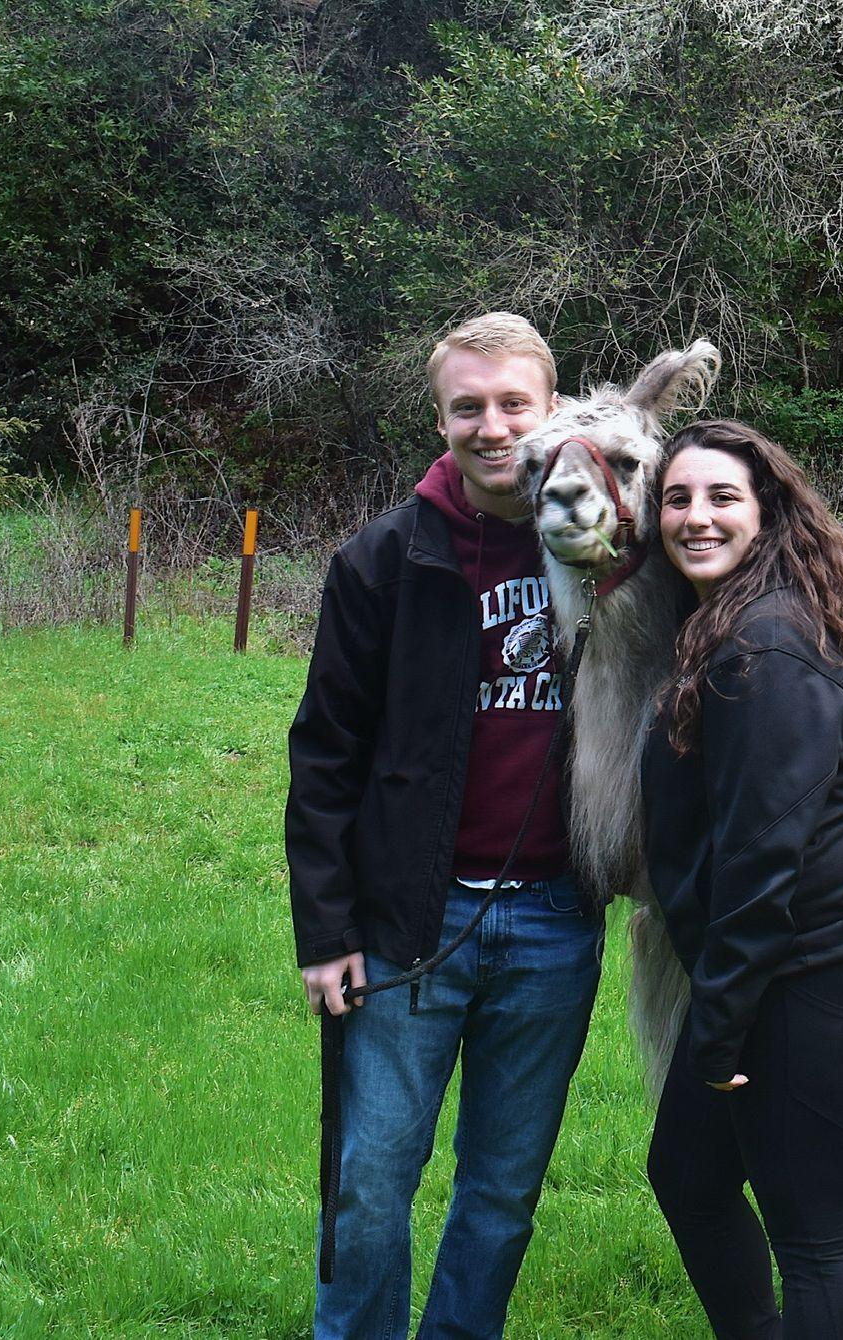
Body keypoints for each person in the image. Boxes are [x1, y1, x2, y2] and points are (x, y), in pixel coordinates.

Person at [285, 312, 604, 1340]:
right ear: (439, 416)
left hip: (556, 924)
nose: (492, 424)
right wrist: (326, 931)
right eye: (469, 405)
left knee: (502, 1194)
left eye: (514, 402)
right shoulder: (381, 559)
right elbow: (325, 754)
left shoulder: (602, 547)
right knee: (371, 1183)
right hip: (408, 925)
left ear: (551, 408)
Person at [641, 419, 843, 1340]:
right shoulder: (726, 622)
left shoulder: (767, 650)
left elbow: (763, 864)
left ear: (765, 514)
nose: (695, 517)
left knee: (815, 1243)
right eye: (677, 498)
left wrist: (717, 1031)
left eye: (722, 497)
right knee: (687, 1172)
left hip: (818, 975)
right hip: (766, 968)